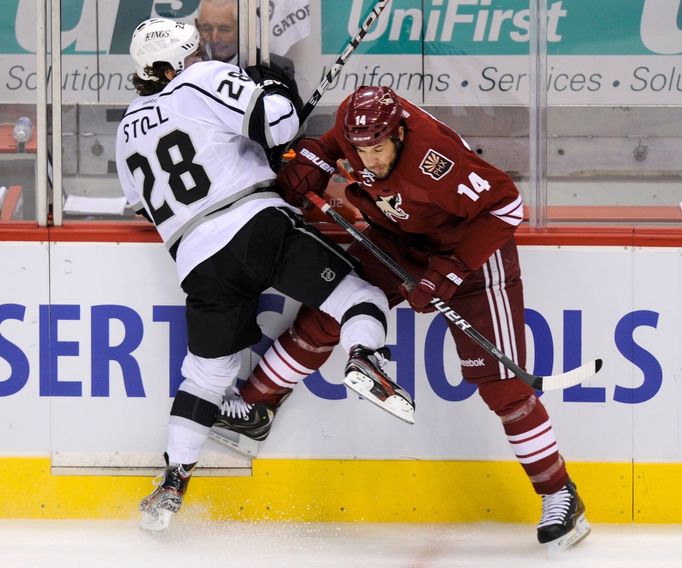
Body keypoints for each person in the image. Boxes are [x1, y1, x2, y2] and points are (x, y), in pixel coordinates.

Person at [211, 85, 591, 550]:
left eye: (377, 150)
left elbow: (506, 206)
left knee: (504, 387)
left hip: (468, 253)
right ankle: (255, 406)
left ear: (400, 132)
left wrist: (448, 272)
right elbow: (332, 146)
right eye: (360, 150)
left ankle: (560, 495)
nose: (368, 160)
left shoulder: (436, 160)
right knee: (332, 307)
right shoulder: (358, 122)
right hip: (399, 238)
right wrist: (314, 160)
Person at [116, 20, 413, 531]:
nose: (197, 57)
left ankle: (171, 486)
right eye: (188, 54)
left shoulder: (124, 131)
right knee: (359, 296)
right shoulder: (200, 78)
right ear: (171, 65)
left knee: (206, 375)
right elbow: (279, 124)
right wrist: (271, 85)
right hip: (254, 224)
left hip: (196, 259)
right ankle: (367, 357)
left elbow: (143, 205)